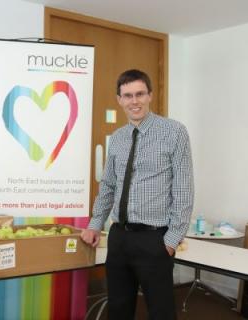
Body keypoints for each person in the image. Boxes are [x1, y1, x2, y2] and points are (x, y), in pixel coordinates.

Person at [81, 69, 194, 320]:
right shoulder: (118, 138)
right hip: (119, 237)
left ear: (150, 95)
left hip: (155, 239)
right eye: (128, 95)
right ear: (119, 99)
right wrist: (94, 224)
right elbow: (109, 185)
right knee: (119, 308)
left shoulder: (174, 132)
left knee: (161, 311)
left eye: (140, 94)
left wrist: (172, 240)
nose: (135, 101)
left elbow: (184, 188)